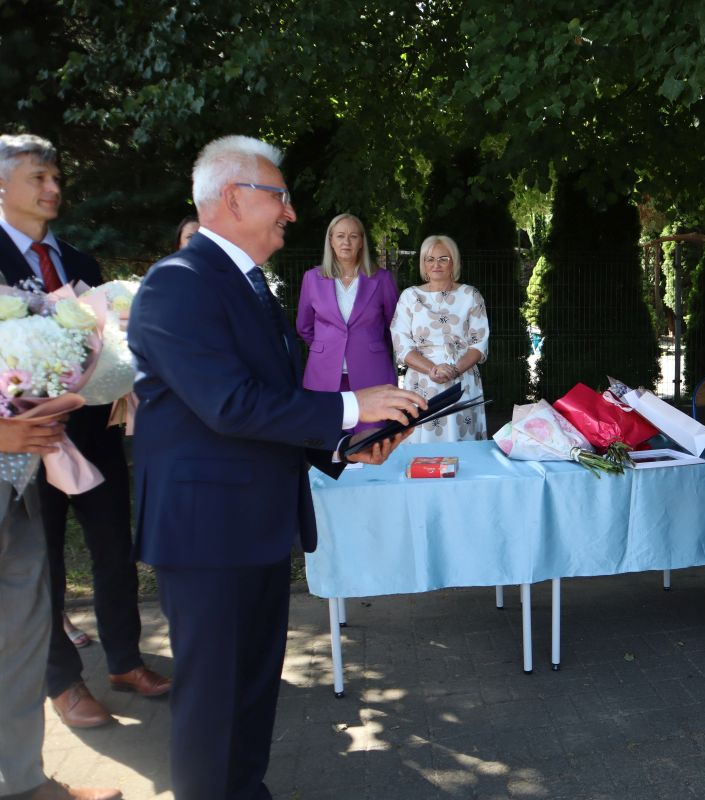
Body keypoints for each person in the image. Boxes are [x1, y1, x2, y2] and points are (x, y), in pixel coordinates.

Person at [126, 135, 426, 800]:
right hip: (207, 535)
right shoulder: (178, 283)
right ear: (234, 198)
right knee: (214, 703)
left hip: (254, 528)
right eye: (280, 196)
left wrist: (343, 447)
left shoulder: (249, 285)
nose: (291, 212)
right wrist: (353, 405)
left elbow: (276, 403)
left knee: (254, 689)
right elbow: (230, 404)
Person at [0, 133, 170, 730]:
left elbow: (105, 343)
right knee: (41, 562)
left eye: (56, 177)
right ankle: (63, 682)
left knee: (114, 550)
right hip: (27, 444)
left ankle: (124, 660)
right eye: (38, 177)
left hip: (93, 435)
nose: (53, 188)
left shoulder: (80, 263)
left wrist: (118, 378)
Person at [296, 213, 399, 433]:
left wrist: (369, 346)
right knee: (326, 440)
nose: (346, 242)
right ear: (331, 241)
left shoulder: (382, 279)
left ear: (361, 242)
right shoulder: (312, 278)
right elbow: (304, 326)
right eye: (340, 236)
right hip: (324, 374)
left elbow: (394, 327)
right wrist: (329, 347)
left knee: (371, 439)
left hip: (372, 372)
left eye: (353, 236)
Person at [390, 235, 489, 441]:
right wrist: (432, 369)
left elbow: (479, 344)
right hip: (422, 381)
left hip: (461, 378)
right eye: (430, 259)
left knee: (462, 443)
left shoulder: (471, 295)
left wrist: (454, 370)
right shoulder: (409, 296)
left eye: (443, 259)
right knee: (422, 446)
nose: (436, 264)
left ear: (454, 262)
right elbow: (401, 344)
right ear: (423, 264)